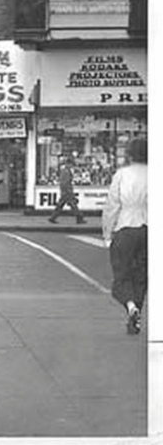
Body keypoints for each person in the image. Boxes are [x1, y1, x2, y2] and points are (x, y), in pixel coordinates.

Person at [103, 137, 147, 335]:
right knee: (141, 275)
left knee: (122, 274)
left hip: (125, 227)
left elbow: (112, 206)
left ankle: (130, 307)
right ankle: (136, 316)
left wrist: (107, 233)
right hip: (148, 229)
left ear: (129, 154)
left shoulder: (122, 175)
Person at [48, 155, 86, 224]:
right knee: (73, 205)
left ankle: (53, 217)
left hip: (65, 191)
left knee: (61, 205)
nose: (72, 166)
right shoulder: (66, 171)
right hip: (67, 191)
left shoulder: (65, 170)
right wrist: (68, 191)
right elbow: (65, 182)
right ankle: (79, 218)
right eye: (71, 164)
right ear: (68, 164)